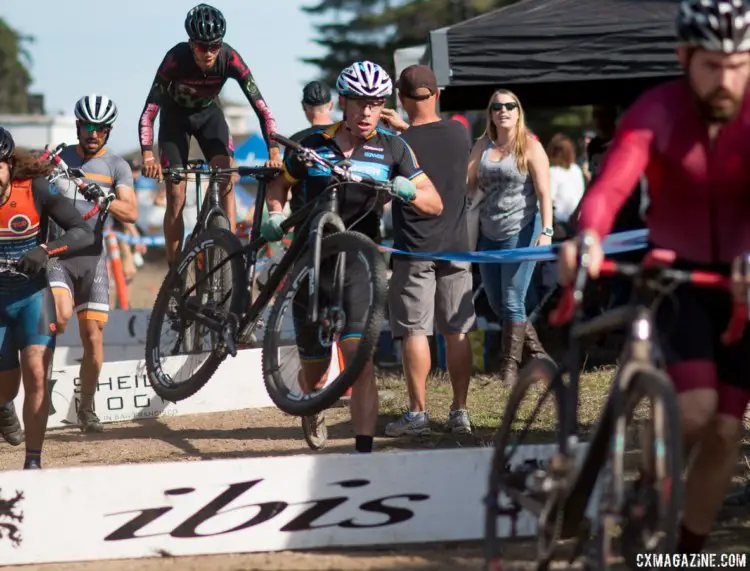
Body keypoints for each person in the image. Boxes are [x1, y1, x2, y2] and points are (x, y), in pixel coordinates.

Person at [557, 0, 750, 555]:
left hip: (737, 283)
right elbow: (613, 185)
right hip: (673, 276)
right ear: (684, 57)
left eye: (739, 64)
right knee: (694, 409)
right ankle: (645, 489)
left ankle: (683, 549)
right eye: (712, 64)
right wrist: (589, 235)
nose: (727, 79)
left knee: (725, 431)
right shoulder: (658, 109)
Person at [260, 61, 443, 453]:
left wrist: (408, 191)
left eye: (375, 104)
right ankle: (314, 404)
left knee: (360, 360)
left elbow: (435, 202)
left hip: (361, 265)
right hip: (312, 262)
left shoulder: (394, 147)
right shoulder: (310, 143)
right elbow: (279, 185)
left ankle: (363, 452)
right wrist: (274, 214)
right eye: (359, 103)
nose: (366, 113)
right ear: (343, 101)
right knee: (316, 366)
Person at [138, 3, 282, 267]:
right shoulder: (175, 58)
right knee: (176, 194)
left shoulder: (230, 58)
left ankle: (230, 250)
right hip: (175, 120)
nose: (209, 53)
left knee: (228, 176)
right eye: (202, 47)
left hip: (209, 116)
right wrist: (148, 157)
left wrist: (273, 151)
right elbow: (149, 111)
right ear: (191, 44)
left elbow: (262, 108)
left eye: (215, 46)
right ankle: (173, 267)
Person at [378, 65, 476, 436]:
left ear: (401, 101)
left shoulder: (394, 144)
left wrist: (397, 129)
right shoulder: (458, 133)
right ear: (437, 95)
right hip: (458, 247)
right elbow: (430, 139)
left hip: (414, 246)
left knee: (415, 331)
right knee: (458, 331)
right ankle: (460, 411)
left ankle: (418, 413)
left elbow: (411, 148)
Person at [0, 127, 95, 468]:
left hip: (32, 296)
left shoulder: (35, 189)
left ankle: (33, 464)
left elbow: (84, 232)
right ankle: (4, 407)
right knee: (5, 390)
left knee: (37, 374)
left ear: (9, 165)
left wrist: (46, 249)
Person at [47, 94, 138, 433]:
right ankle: (39, 391)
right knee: (60, 314)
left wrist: (105, 199)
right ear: (77, 125)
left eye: (100, 129)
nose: (92, 134)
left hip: (92, 259)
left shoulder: (117, 166)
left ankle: (86, 407)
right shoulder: (58, 157)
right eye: (87, 126)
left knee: (94, 339)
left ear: (109, 131)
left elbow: (131, 213)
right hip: (57, 255)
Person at [466, 89, 554, 385]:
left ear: (518, 111)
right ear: (490, 113)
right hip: (488, 233)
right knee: (495, 302)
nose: (503, 110)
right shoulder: (483, 145)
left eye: (509, 106)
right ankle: (541, 358)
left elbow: (544, 193)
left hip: (522, 229)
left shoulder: (530, 146)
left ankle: (509, 369)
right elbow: (468, 184)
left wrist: (547, 231)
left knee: (513, 299)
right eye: (496, 106)